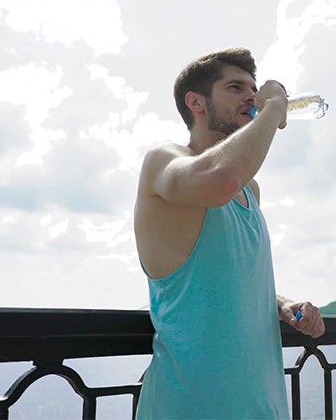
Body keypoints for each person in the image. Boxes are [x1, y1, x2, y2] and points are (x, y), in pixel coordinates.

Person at [133, 48, 325, 419]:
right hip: (190, 409)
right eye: (235, 88)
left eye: (254, 88)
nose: (251, 96)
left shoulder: (250, 191)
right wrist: (274, 108)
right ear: (196, 103)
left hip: (263, 407)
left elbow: (225, 276)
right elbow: (219, 179)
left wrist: (281, 305)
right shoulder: (163, 160)